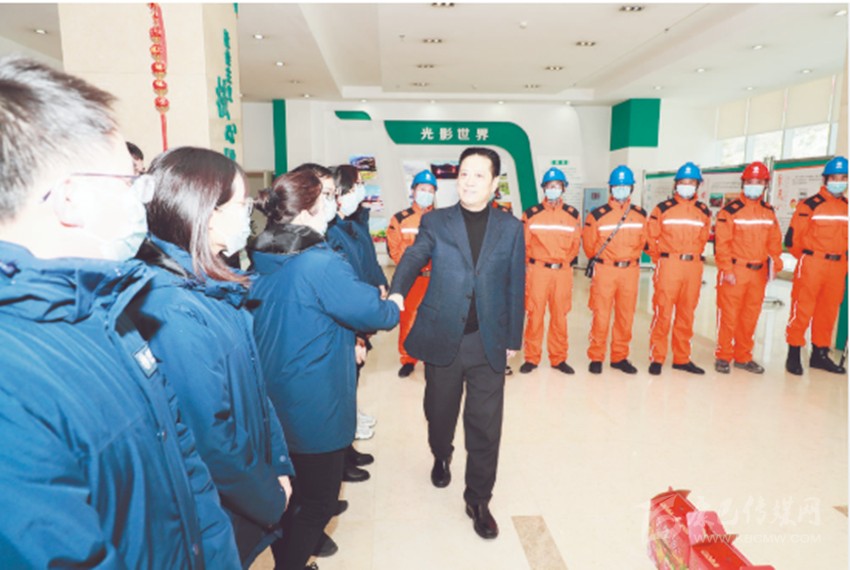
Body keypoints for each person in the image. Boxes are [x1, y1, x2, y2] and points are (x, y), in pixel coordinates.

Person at [0, 55, 239, 568]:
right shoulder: (12, 383)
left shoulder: (109, 309)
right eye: (130, 183)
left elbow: (184, 460)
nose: (141, 201)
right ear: (70, 199)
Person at [132, 146, 294, 567]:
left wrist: (277, 460)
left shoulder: (211, 282)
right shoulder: (173, 306)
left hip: (243, 488)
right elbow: (210, 435)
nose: (249, 216)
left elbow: (253, 388)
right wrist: (267, 495)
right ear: (205, 212)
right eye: (242, 205)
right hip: (219, 507)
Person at [249, 169, 400, 569]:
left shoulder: (264, 254)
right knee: (318, 501)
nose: (336, 204)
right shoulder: (318, 263)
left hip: (275, 391)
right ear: (306, 212)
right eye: (328, 198)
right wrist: (393, 304)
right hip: (314, 398)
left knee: (290, 493)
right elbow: (375, 312)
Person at [389, 147, 525, 540]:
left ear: (494, 183)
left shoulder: (511, 228)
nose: (469, 181)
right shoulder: (436, 221)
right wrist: (397, 292)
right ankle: (441, 453)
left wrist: (512, 338)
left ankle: (478, 499)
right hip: (443, 337)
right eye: (464, 173)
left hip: (488, 341)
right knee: (439, 413)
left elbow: (516, 284)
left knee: (486, 426)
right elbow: (413, 257)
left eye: (479, 175)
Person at [713, 161, 783, 374]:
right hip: (736, 271)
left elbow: (774, 242)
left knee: (750, 316)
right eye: (750, 181)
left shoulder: (768, 212)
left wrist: (775, 264)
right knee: (729, 315)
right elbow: (722, 244)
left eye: (759, 182)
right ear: (743, 183)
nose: (755, 186)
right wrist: (727, 270)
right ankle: (723, 356)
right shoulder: (730, 211)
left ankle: (743, 356)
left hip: (758, 273)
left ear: (765, 185)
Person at [645, 162, 712, 376]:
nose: (687, 186)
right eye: (683, 182)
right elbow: (650, 238)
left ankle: (682, 358)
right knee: (663, 311)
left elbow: (704, 238)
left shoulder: (703, 211)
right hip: (669, 265)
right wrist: (661, 259)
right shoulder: (662, 209)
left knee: (687, 313)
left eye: (691, 182)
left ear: (698, 185)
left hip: (693, 266)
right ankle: (657, 357)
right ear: (676, 184)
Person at [784, 156, 849, 375]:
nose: (839, 182)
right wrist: (809, 258)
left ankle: (820, 354)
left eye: (843, 178)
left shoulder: (847, 207)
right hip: (813, 263)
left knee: (828, 311)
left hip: (838, 266)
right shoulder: (810, 205)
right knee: (802, 308)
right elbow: (793, 240)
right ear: (825, 179)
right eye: (834, 178)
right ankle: (794, 353)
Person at [582, 165, 648, 375]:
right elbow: (589, 246)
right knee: (601, 314)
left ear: (631, 188)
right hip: (606, 271)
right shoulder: (597, 215)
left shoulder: (639, 215)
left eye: (625, 186)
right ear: (611, 188)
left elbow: (643, 242)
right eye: (617, 186)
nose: (621, 189)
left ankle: (619, 357)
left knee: (625, 315)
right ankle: (596, 356)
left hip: (630, 271)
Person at [519, 167, 581, 375]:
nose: (553, 189)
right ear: (544, 188)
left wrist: (563, 261)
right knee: (535, 314)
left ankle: (558, 358)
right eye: (549, 186)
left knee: (560, 316)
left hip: (562, 272)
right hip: (538, 271)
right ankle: (531, 358)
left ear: (563, 188)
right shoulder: (531, 214)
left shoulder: (572, 215)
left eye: (557, 186)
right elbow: (524, 244)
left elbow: (575, 245)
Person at [386, 169, 438, 377]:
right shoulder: (401, 219)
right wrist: (411, 267)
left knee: (434, 319)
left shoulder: (442, 219)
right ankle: (408, 358)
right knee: (408, 318)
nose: (426, 194)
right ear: (413, 191)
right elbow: (394, 249)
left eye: (430, 191)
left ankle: (432, 357)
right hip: (411, 279)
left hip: (436, 279)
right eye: (422, 189)